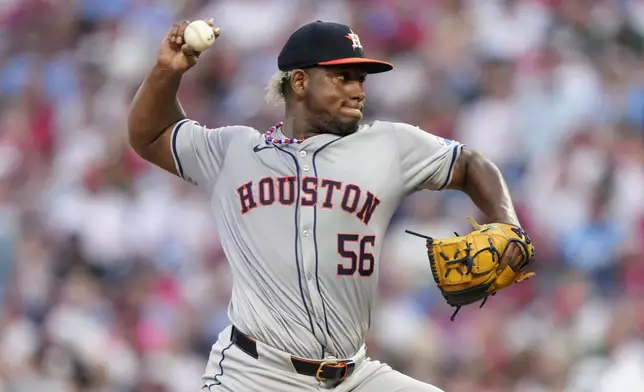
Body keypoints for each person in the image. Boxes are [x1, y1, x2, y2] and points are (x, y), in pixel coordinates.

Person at [128, 18, 527, 392]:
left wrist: (507, 222)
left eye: (361, 78)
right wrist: (168, 71)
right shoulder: (232, 151)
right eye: (343, 76)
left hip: (352, 376)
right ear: (299, 81)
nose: (359, 90)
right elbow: (149, 134)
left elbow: (470, 163)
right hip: (252, 374)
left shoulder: (388, 145)